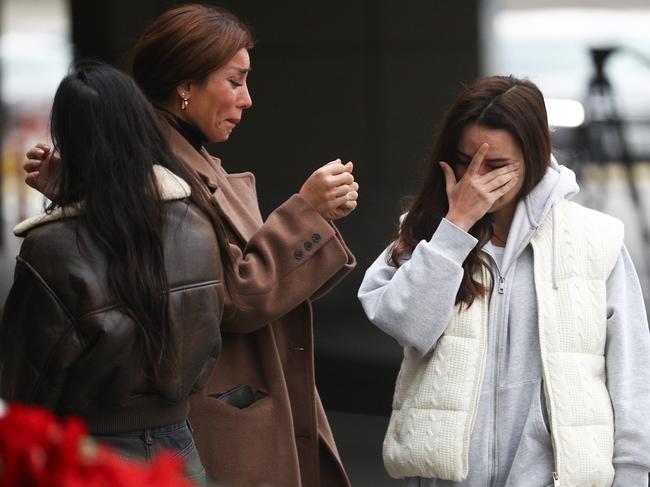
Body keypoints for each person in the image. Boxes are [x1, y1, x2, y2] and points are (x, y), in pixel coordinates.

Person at [24, 5, 358, 487]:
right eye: (235, 80)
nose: (248, 99)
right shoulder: (160, 176)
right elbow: (232, 299)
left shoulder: (176, 159)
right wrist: (306, 211)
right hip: (207, 421)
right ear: (185, 85)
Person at [358, 75, 650, 486]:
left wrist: (632, 476)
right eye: (463, 161)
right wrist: (455, 227)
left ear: (533, 158)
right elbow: (406, 324)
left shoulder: (595, 240)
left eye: (496, 166)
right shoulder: (426, 235)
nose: (476, 178)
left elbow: (631, 376)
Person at [1, 63, 235, 485]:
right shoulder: (197, 223)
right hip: (179, 451)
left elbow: (26, 379)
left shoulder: (52, 248)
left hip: (89, 455)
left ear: (68, 139)